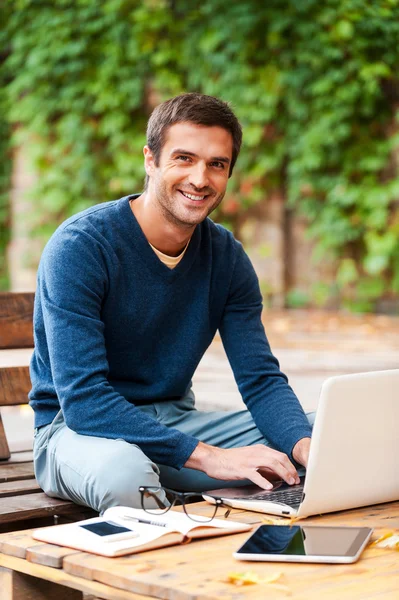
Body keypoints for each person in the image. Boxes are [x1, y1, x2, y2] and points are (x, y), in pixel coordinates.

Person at [30, 93, 314, 514]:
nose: (200, 179)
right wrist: (210, 456)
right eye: (184, 158)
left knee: (328, 432)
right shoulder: (82, 247)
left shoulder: (226, 258)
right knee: (127, 476)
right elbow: (86, 401)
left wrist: (306, 446)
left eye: (217, 164)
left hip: (176, 422)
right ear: (150, 160)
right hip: (76, 433)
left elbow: (260, 379)